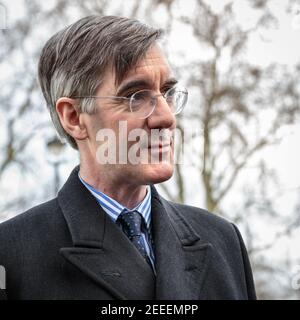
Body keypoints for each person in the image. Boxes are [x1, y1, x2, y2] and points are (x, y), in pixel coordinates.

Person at [0, 15, 256, 300]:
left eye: (168, 93)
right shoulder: (11, 256)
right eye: (135, 96)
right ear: (74, 117)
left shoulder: (224, 241)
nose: (166, 117)